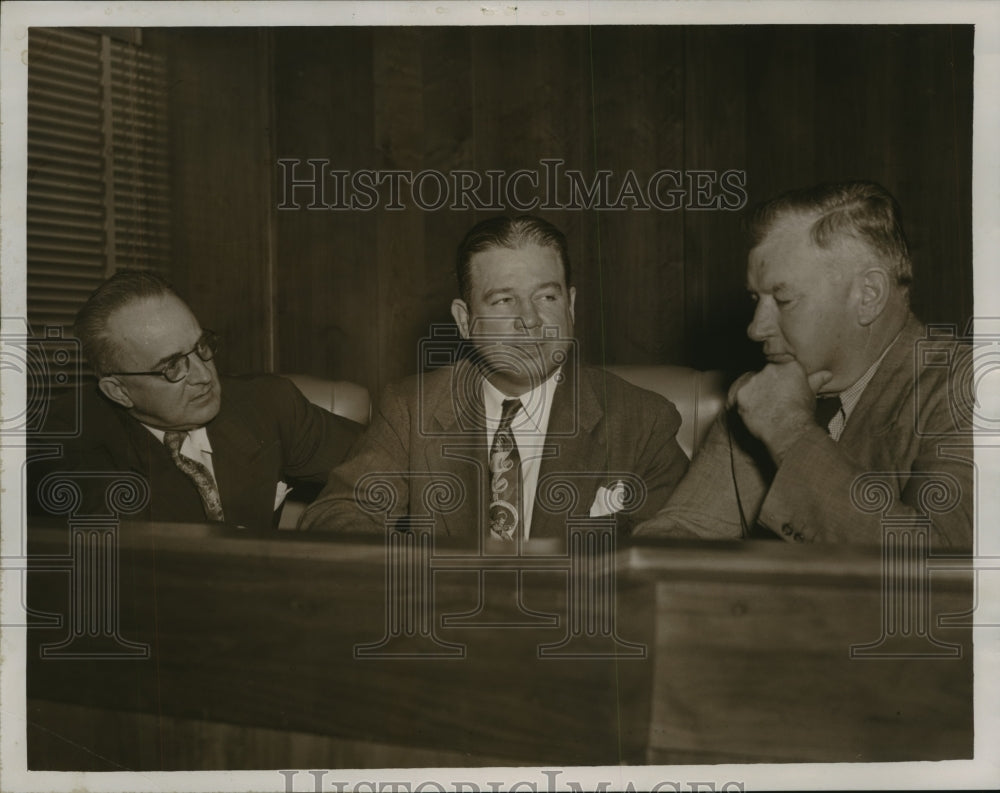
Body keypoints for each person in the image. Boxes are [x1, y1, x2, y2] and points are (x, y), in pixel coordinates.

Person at [300, 215, 689, 543]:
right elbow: (337, 516)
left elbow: (674, 557)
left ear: (570, 306)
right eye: (504, 300)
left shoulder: (643, 422)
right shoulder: (412, 409)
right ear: (465, 320)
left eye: (547, 297)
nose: (531, 319)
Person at [635, 181, 972, 547]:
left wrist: (789, 432)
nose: (755, 328)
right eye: (755, 299)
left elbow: (942, 567)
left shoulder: (969, 390)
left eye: (783, 300)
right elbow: (677, 541)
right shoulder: (767, 390)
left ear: (868, 296)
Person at [30, 270, 361, 529]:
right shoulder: (65, 447)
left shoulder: (267, 402)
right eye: (172, 367)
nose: (204, 376)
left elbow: (389, 462)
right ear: (118, 390)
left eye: (201, 347)